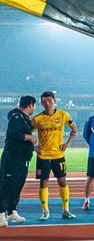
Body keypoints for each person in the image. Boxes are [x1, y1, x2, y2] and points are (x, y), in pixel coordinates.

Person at [32, 91, 77, 220]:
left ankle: (66, 210)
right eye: (44, 101)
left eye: (50, 101)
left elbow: (74, 128)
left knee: (62, 181)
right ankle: (45, 212)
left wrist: (67, 143)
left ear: (54, 101)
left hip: (58, 155)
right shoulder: (37, 119)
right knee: (43, 183)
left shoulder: (63, 115)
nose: (47, 103)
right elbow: (27, 133)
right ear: (41, 103)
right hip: (43, 156)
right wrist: (33, 146)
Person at [0, 95, 36, 228]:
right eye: (34, 106)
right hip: (12, 158)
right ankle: (1, 214)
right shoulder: (17, 117)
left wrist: (32, 147)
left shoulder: (24, 119)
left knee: (17, 185)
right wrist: (29, 137)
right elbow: (12, 134)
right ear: (30, 105)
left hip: (22, 158)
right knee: (7, 185)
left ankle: (11, 212)